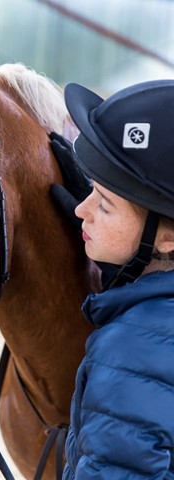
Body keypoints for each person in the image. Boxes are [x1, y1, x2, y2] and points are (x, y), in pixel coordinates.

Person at [50, 80, 174, 479]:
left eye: (104, 204)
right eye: (91, 191)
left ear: (168, 239)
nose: (81, 210)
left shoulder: (130, 348)